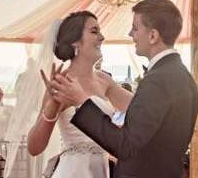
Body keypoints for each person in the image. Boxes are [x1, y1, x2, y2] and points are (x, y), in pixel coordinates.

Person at [48, 0, 198, 178]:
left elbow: (125, 145)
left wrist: (82, 102)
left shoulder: (157, 81)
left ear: (152, 36)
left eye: (135, 28)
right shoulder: (183, 77)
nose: (130, 33)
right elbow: (146, 128)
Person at [27, 10, 135, 178]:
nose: (102, 37)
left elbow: (141, 107)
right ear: (75, 42)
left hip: (101, 170)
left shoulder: (104, 80)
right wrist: (52, 107)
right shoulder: (62, 83)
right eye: (94, 31)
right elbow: (34, 147)